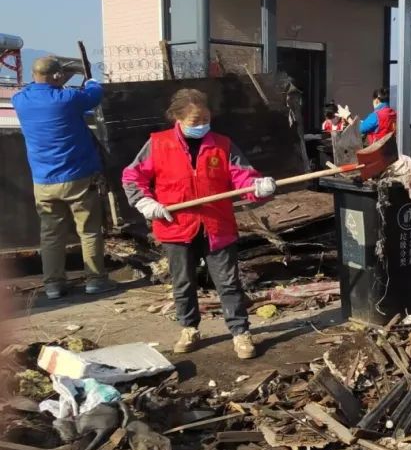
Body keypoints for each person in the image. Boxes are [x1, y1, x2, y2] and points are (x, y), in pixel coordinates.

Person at [122, 89, 277, 359]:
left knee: (228, 283)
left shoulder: (222, 144)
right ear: (177, 118)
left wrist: (257, 186)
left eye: (206, 119)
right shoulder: (158, 144)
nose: (202, 125)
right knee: (183, 282)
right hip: (176, 225)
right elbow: (132, 177)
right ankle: (189, 328)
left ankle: (240, 332)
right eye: (195, 121)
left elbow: (242, 177)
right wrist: (145, 203)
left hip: (217, 225)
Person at [13, 57, 115, 299]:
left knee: (51, 235)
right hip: (77, 176)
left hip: (43, 180)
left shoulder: (20, 100)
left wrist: (57, 77)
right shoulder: (69, 98)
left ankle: (53, 285)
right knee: (88, 230)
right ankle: (95, 280)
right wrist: (89, 79)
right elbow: (94, 94)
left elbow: (40, 85)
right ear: (57, 76)